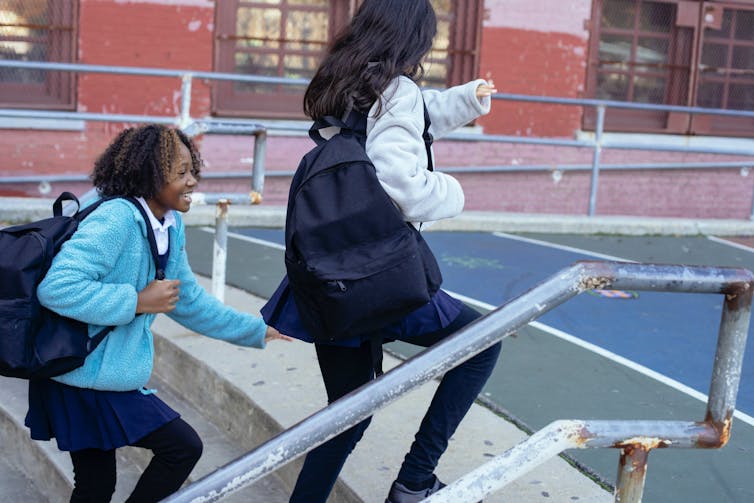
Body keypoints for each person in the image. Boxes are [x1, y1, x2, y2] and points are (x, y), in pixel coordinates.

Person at [260, 1, 501, 502]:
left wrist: (466, 98)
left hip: (330, 272)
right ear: (414, 38)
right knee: (481, 344)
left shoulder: (342, 85)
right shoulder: (399, 91)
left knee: (344, 417)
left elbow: (402, 117)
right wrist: (453, 191)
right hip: (380, 271)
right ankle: (414, 480)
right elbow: (398, 179)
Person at [25, 124, 291, 503]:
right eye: (180, 172)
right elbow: (57, 287)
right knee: (179, 449)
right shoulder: (117, 219)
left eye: (192, 170)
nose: (192, 181)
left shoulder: (170, 225)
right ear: (148, 174)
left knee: (96, 486)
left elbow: (188, 301)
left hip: (106, 375)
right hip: (80, 374)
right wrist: (136, 301)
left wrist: (256, 329)